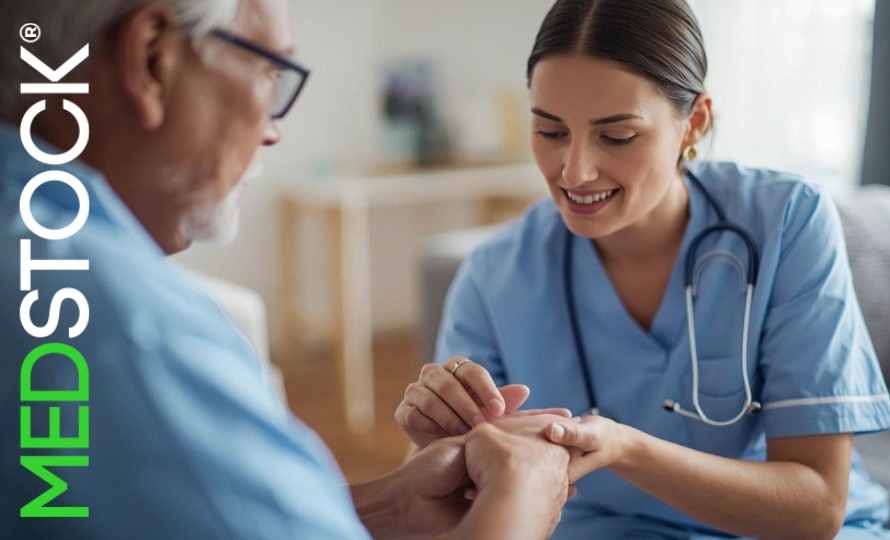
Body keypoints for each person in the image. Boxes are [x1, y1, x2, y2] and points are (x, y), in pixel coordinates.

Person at [0, 1, 577, 538]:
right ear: (154, 57)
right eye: (270, 74)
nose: (273, 130)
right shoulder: (123, 330)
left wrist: (389, 504)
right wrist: (519, 501)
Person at [396, 0, 890, 538]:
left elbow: (817, 507)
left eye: (617, 137)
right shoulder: (494, 277)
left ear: (694, 124)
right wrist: (435, 446)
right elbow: (440, 507)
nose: (575, 171)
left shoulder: (788, 223)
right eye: (551, 132)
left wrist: (627, 449)